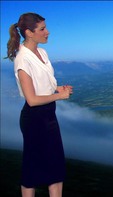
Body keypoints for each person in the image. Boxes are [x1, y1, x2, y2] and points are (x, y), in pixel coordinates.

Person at [6, 12, 73, 197]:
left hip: (48, 116)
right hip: (34, 119)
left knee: (56, 170)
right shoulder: (22, 59)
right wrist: (59, 97)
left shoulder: (42, 52)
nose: (48, 32)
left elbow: (43, 86)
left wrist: (58, 88)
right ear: (29, 32)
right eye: (42, 29)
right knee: (32, 171)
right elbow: (32, 99)